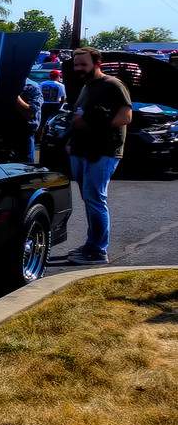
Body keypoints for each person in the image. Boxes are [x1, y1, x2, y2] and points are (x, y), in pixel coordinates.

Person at [64, 47, 133, 265]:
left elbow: (125, 116)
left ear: (97, 63)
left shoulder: (112, 85)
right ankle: (91, 244)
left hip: (103, 151)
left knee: (95, 199)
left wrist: (93, 123)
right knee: (89, 199)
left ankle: (98, 251)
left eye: (83, 64)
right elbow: (80, 118)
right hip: (82, 150)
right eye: (76, 64)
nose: (79, 68)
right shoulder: (86, 86)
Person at [12, 78, 43, 161]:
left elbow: (30, 114)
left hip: (22, 136)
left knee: (24, 167)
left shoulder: (31, 87)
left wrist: (13, 93)